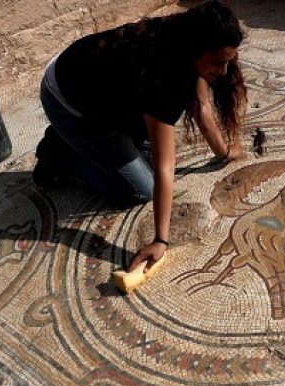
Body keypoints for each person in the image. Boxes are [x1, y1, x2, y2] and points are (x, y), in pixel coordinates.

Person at [33, 0, 247, 271]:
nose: (224, 71)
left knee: (143, 155)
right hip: (68, 98)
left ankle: (82, 142)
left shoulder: (182, 38)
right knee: (140, 189)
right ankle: (61, 154)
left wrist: (225, 154)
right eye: (218, 63)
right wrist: (160, 240)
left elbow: (203, 106)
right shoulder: (162, 77)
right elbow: (164, 166)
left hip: (102, 87)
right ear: (196, 51)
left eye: (228, 62)